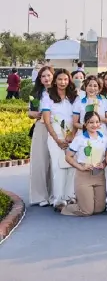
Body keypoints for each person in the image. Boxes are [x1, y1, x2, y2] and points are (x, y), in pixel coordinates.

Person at [41, 68, 79, 209]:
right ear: (55, 81)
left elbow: (77, 117)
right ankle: (58, 199)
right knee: (58, 166)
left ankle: (70, 196)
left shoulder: (74, 96)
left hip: (72, 135)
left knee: (71, 166)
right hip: (55, 134)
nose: (63, 82)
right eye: (60, 79)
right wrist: (57, 139)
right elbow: (46, 120)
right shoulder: (48, 96)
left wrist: (72, 134)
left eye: (65, 79)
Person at [61, 111, 107, 215]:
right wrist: (80, 167)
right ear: (85, 124)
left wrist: (104, 164)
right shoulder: (79, 139)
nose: (94, 125)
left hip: (99, 175)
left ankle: (82, 202)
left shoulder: (104, 139)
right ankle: (66, 207)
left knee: (99, 209)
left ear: (100, 124)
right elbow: (68, 156)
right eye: (91, 122)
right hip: (83, 176)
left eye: (97, 122)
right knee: (87, 211)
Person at [28, 65, 54, 206]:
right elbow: (29, 112)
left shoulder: (59, 92)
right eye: (43, 76)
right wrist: (35, 114)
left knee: (55, 162)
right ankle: (40, 196)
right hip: (41, 127)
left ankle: (54, 194)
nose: (46, 78)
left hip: (56, 128)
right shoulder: (36, 93)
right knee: (40, 162)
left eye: (48, 75)